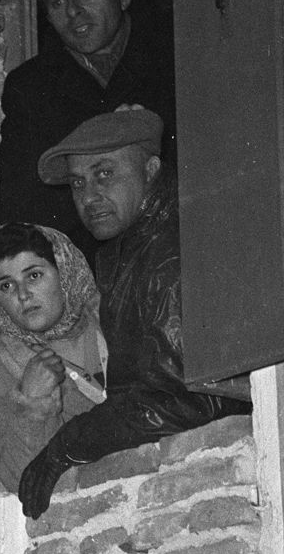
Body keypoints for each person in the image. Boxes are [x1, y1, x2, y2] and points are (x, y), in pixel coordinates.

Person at [15, 107, 250, 520]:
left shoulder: (172, 249)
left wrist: (66, 446)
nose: (88, 197)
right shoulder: (126, 250)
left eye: (104, 174)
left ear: (152, 170)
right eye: (77, 183)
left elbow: (183, 399)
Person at [0, 0, 177, 253]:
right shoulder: (29, 85)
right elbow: (18, 209)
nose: (73, 10)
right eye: (57, 1)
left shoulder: (175, 57)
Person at [0, 223, 107, 495]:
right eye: (6, 285)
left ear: (64, 271)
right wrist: (32, 404)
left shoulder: (117, 316)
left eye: (34, 276)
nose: (23, 295)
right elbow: (24, 482)